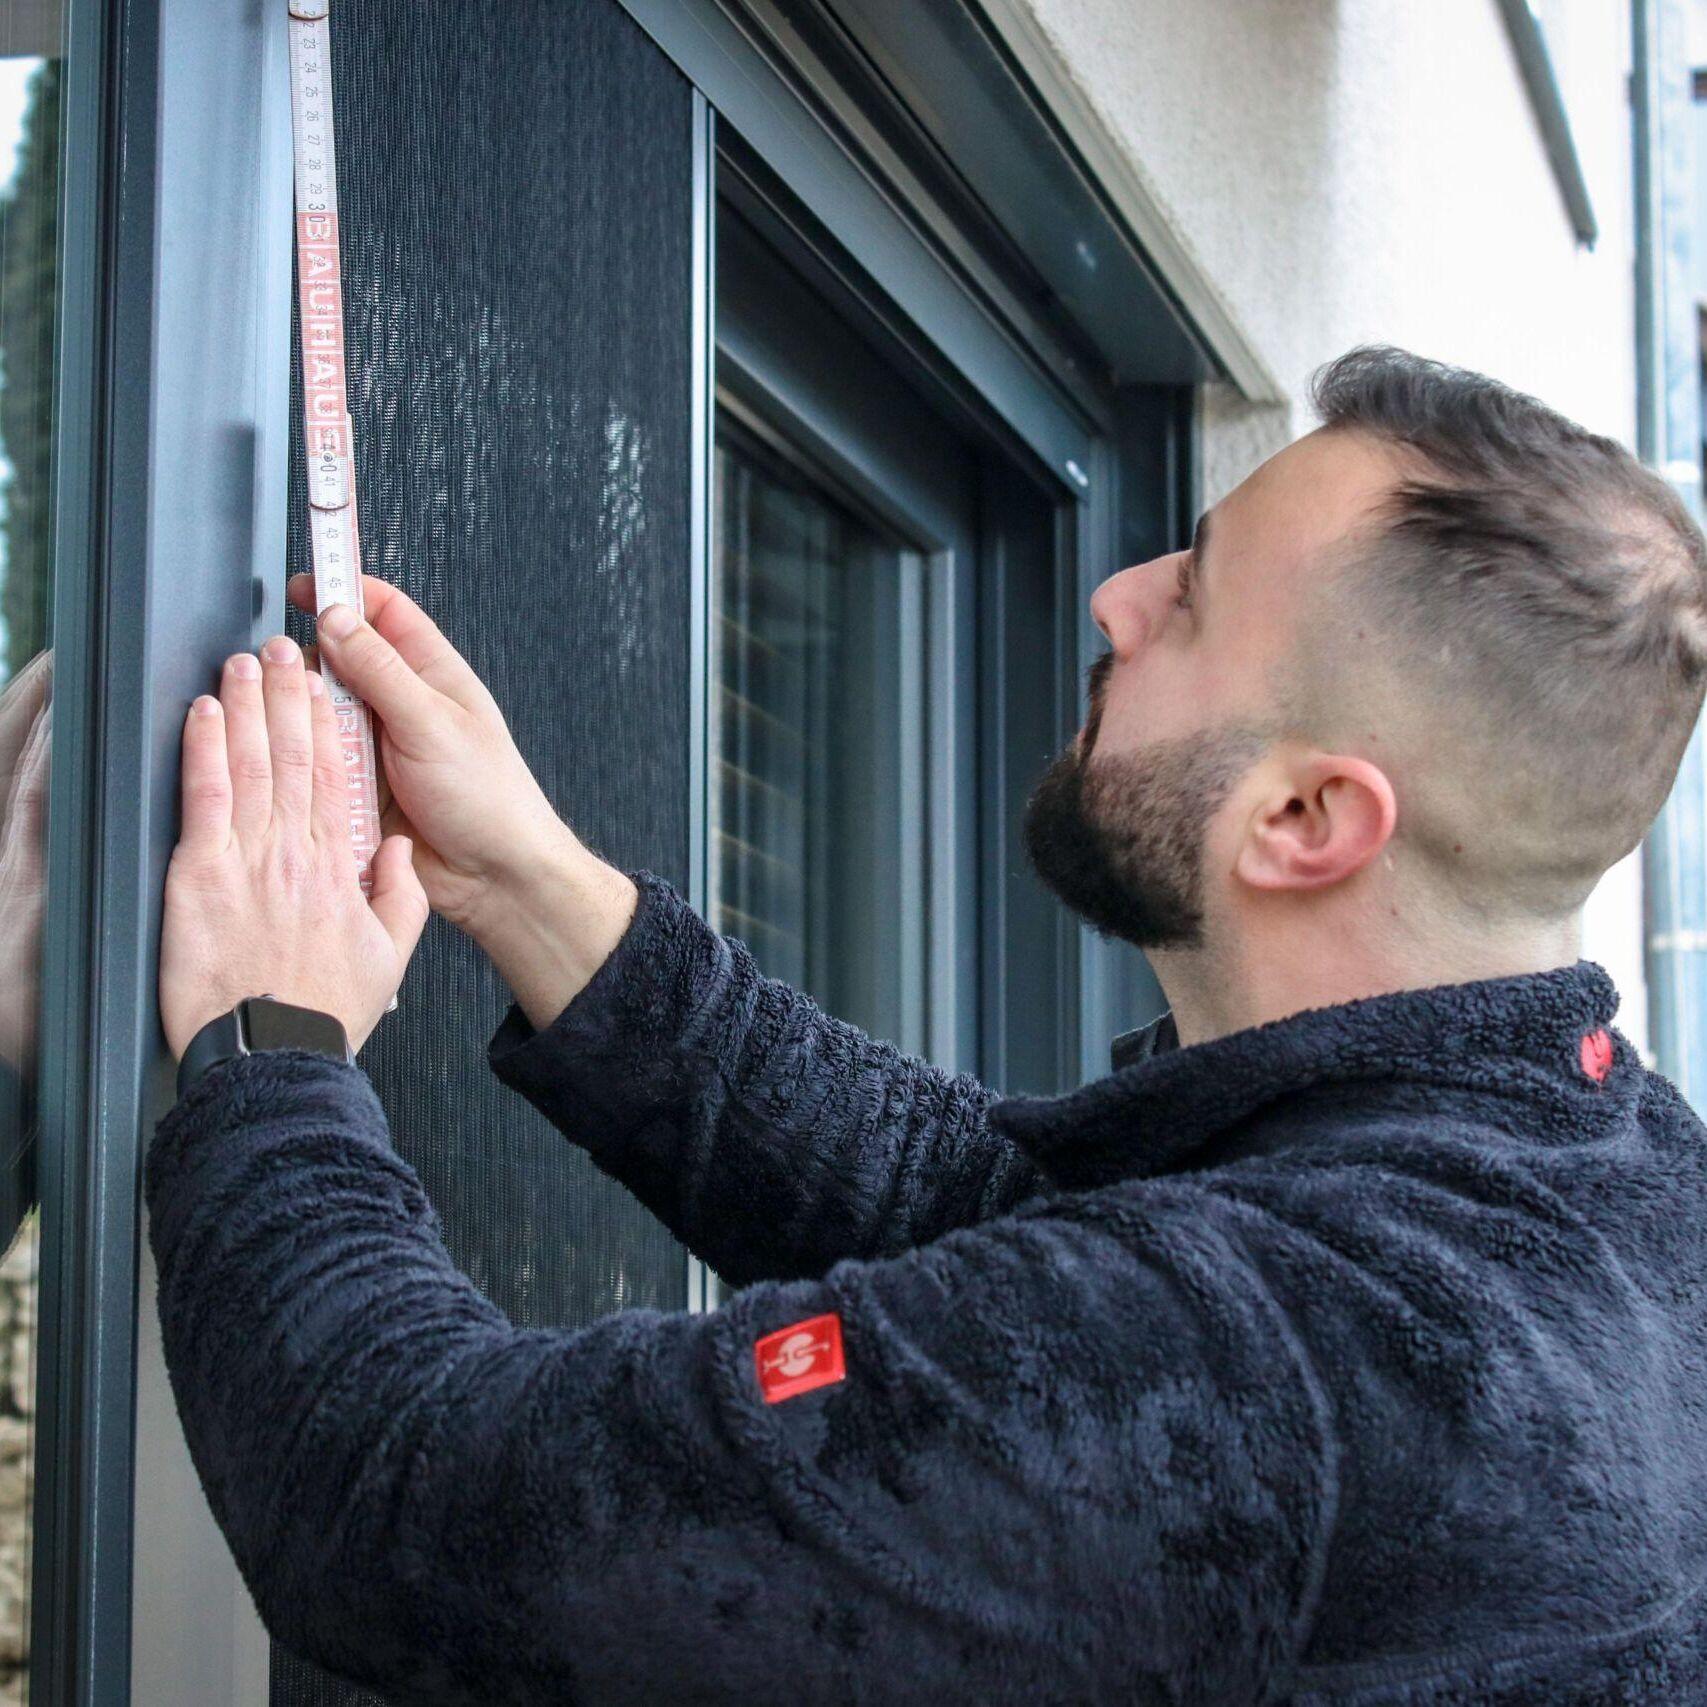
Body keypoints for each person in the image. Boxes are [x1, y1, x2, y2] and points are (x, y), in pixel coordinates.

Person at [149, 346, 1707, 1705]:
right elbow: (994, 1218)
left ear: (1305, 816)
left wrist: (265, 1046)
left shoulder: (1274, 1368)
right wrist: (542, 890)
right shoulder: (1620, 1182)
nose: (1118, 593)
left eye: (1194, 595)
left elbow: (414, 1518)